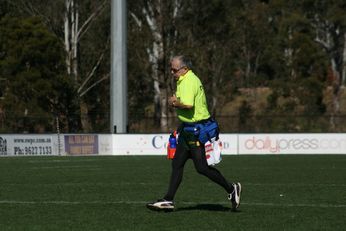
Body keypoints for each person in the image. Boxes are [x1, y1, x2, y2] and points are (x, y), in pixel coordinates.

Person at [146, 55, 241, 212]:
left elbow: (188, 105)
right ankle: (168, 200)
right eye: (171, 69)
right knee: (177, 163)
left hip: (196, 130)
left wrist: (174, 103)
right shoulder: (184, 79)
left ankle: (232, 189)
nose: (172, 72)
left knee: (202, 168)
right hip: (188, 129)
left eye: (174, 70)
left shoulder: (189, 81)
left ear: (184, 69)